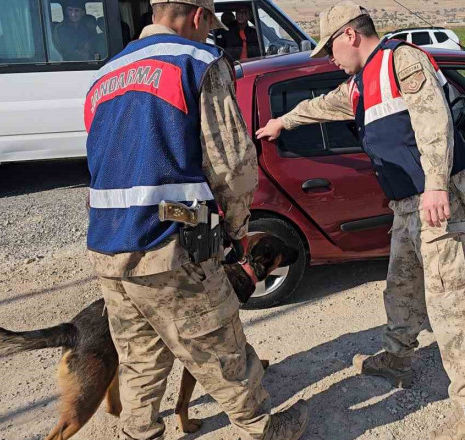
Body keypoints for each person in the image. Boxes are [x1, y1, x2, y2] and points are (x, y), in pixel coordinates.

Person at [255, 2, 465, 439]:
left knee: (453, 302)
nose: (329, 59)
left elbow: (435, 123)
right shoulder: (359, 84)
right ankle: (397, 358)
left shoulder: (401, 61)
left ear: (351, 35)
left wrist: (434, 186)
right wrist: (282, 121)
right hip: (406, 203)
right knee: (403, 285)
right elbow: (323, 105)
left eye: (331, 48)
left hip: (433, 198)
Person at [83, 0, 309, 438]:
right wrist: (238, 230)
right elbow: (233, 163)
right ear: (199, 16)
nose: (209, 34)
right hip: (169, 241)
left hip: (107, 242)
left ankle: (139, 431)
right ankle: (262, 428)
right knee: (219, 343)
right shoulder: (198, 62)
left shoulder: (104, 75)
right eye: (210, 25)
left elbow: (101, 159)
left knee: (138, 354)